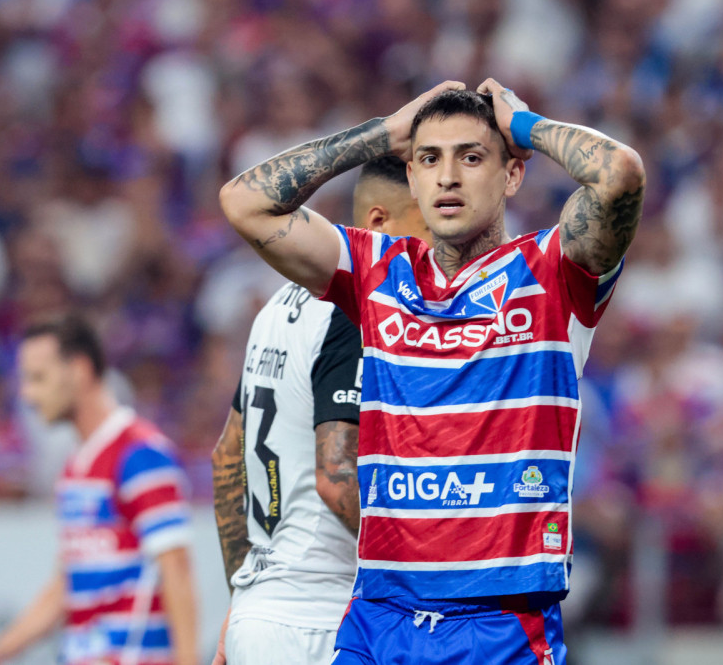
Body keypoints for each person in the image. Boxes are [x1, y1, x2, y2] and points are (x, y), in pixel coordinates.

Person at [219, 79, 644, 664]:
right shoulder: (376, 271)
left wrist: (522, 127)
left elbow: (619, 172)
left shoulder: (551, 272)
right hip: (378, 618)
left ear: (513, 175)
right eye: (429, 159)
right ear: (412, 178)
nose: (448, 176)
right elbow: (244, 202)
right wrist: (383, 134)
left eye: (471, 157)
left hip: (497, 623)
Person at [211, 156, 431, 665]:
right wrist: (435, 562)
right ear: (379, 222)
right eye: (428, 233)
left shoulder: (279, 305)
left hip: (265, 613)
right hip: (322, 619)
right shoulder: (361, 307)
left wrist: (246, 593)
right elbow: (338, 477)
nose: (440, 256)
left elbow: (227, 461)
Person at [0, 316, 198, 665]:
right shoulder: (74, 468)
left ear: (79, 370)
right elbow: (67, 586)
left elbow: (176, 567)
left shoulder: (139, 453)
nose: (27, 394)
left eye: (38, 378)